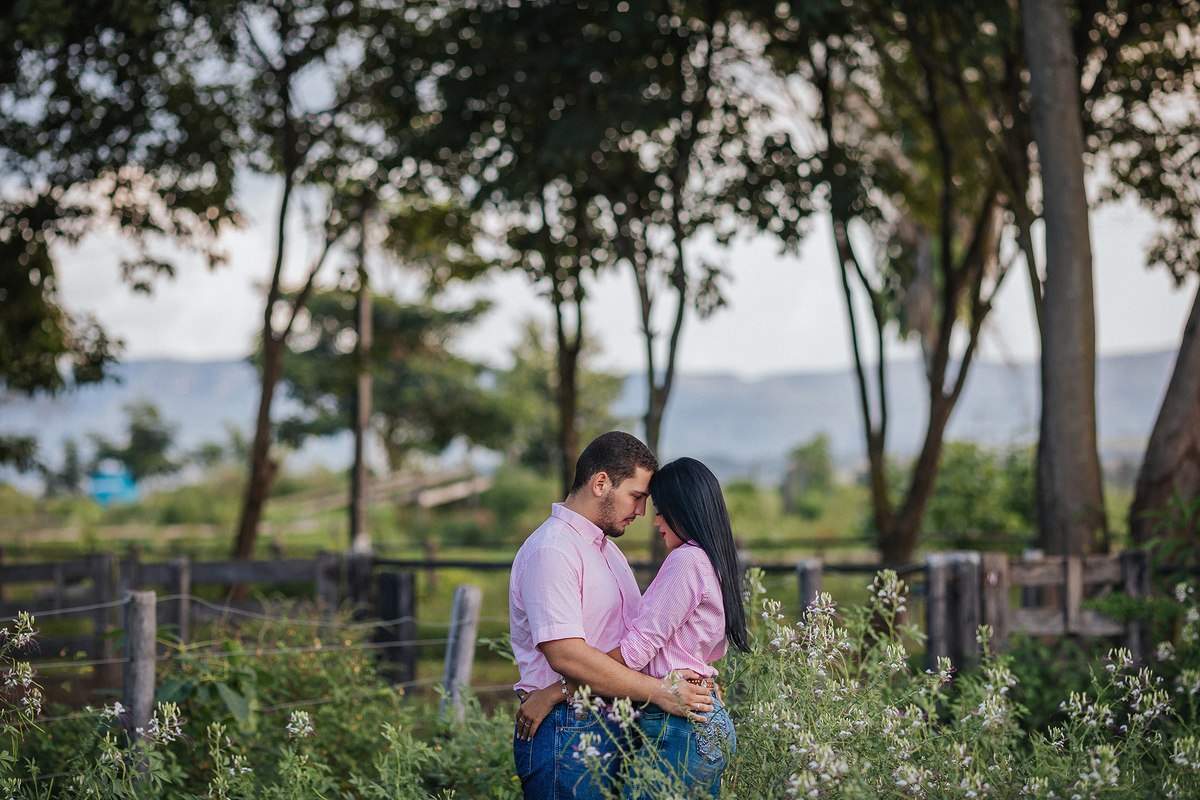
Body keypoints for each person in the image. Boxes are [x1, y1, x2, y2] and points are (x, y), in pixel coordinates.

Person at [517, 457, 749, 798]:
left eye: (657, 507)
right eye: (638, 497)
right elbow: (571, 654)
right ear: (600, 484)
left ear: (684, 511)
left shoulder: (680, 560)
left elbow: (636, 650)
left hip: (674, 723)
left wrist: (555, 691)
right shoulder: (555, 548)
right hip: (594, 726)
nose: (647, 516)